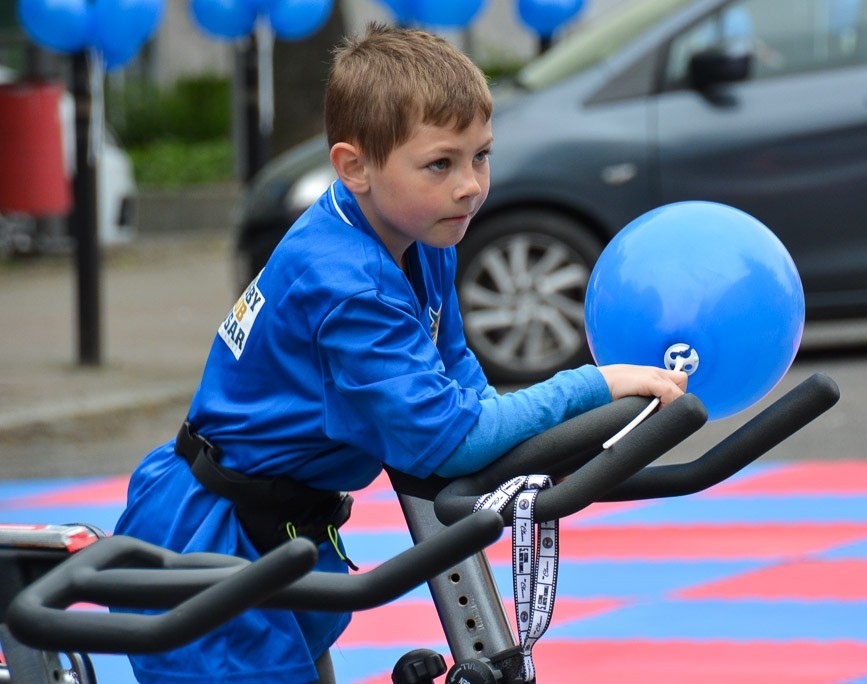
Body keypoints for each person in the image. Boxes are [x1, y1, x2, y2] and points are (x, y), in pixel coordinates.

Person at [114, 22, 688, 684]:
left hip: (288, 524)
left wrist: (536, 448)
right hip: (210, 539)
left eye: (482, 156)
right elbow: (446, 439)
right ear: (354, 167)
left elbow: (458, 380)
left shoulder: (424, 232)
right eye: (441, 163)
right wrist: (592, 387)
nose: (470, 185)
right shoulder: (346, 283)